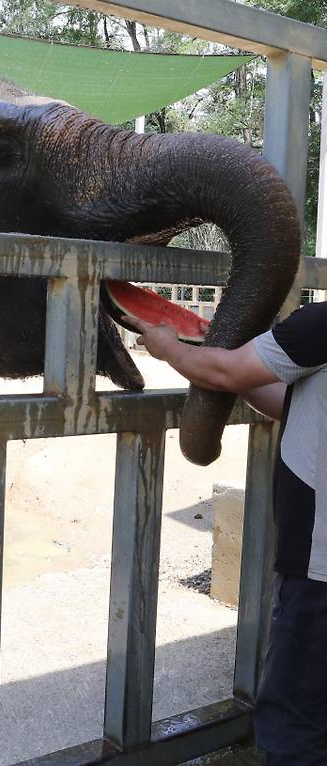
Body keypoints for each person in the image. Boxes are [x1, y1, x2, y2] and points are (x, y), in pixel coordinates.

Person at [127, 301, 327, 765]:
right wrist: (229, 370)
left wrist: (168, 347)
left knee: (292, 723)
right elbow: (288, 401)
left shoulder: (320, 326)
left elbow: (225, 371)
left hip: (318, 572)